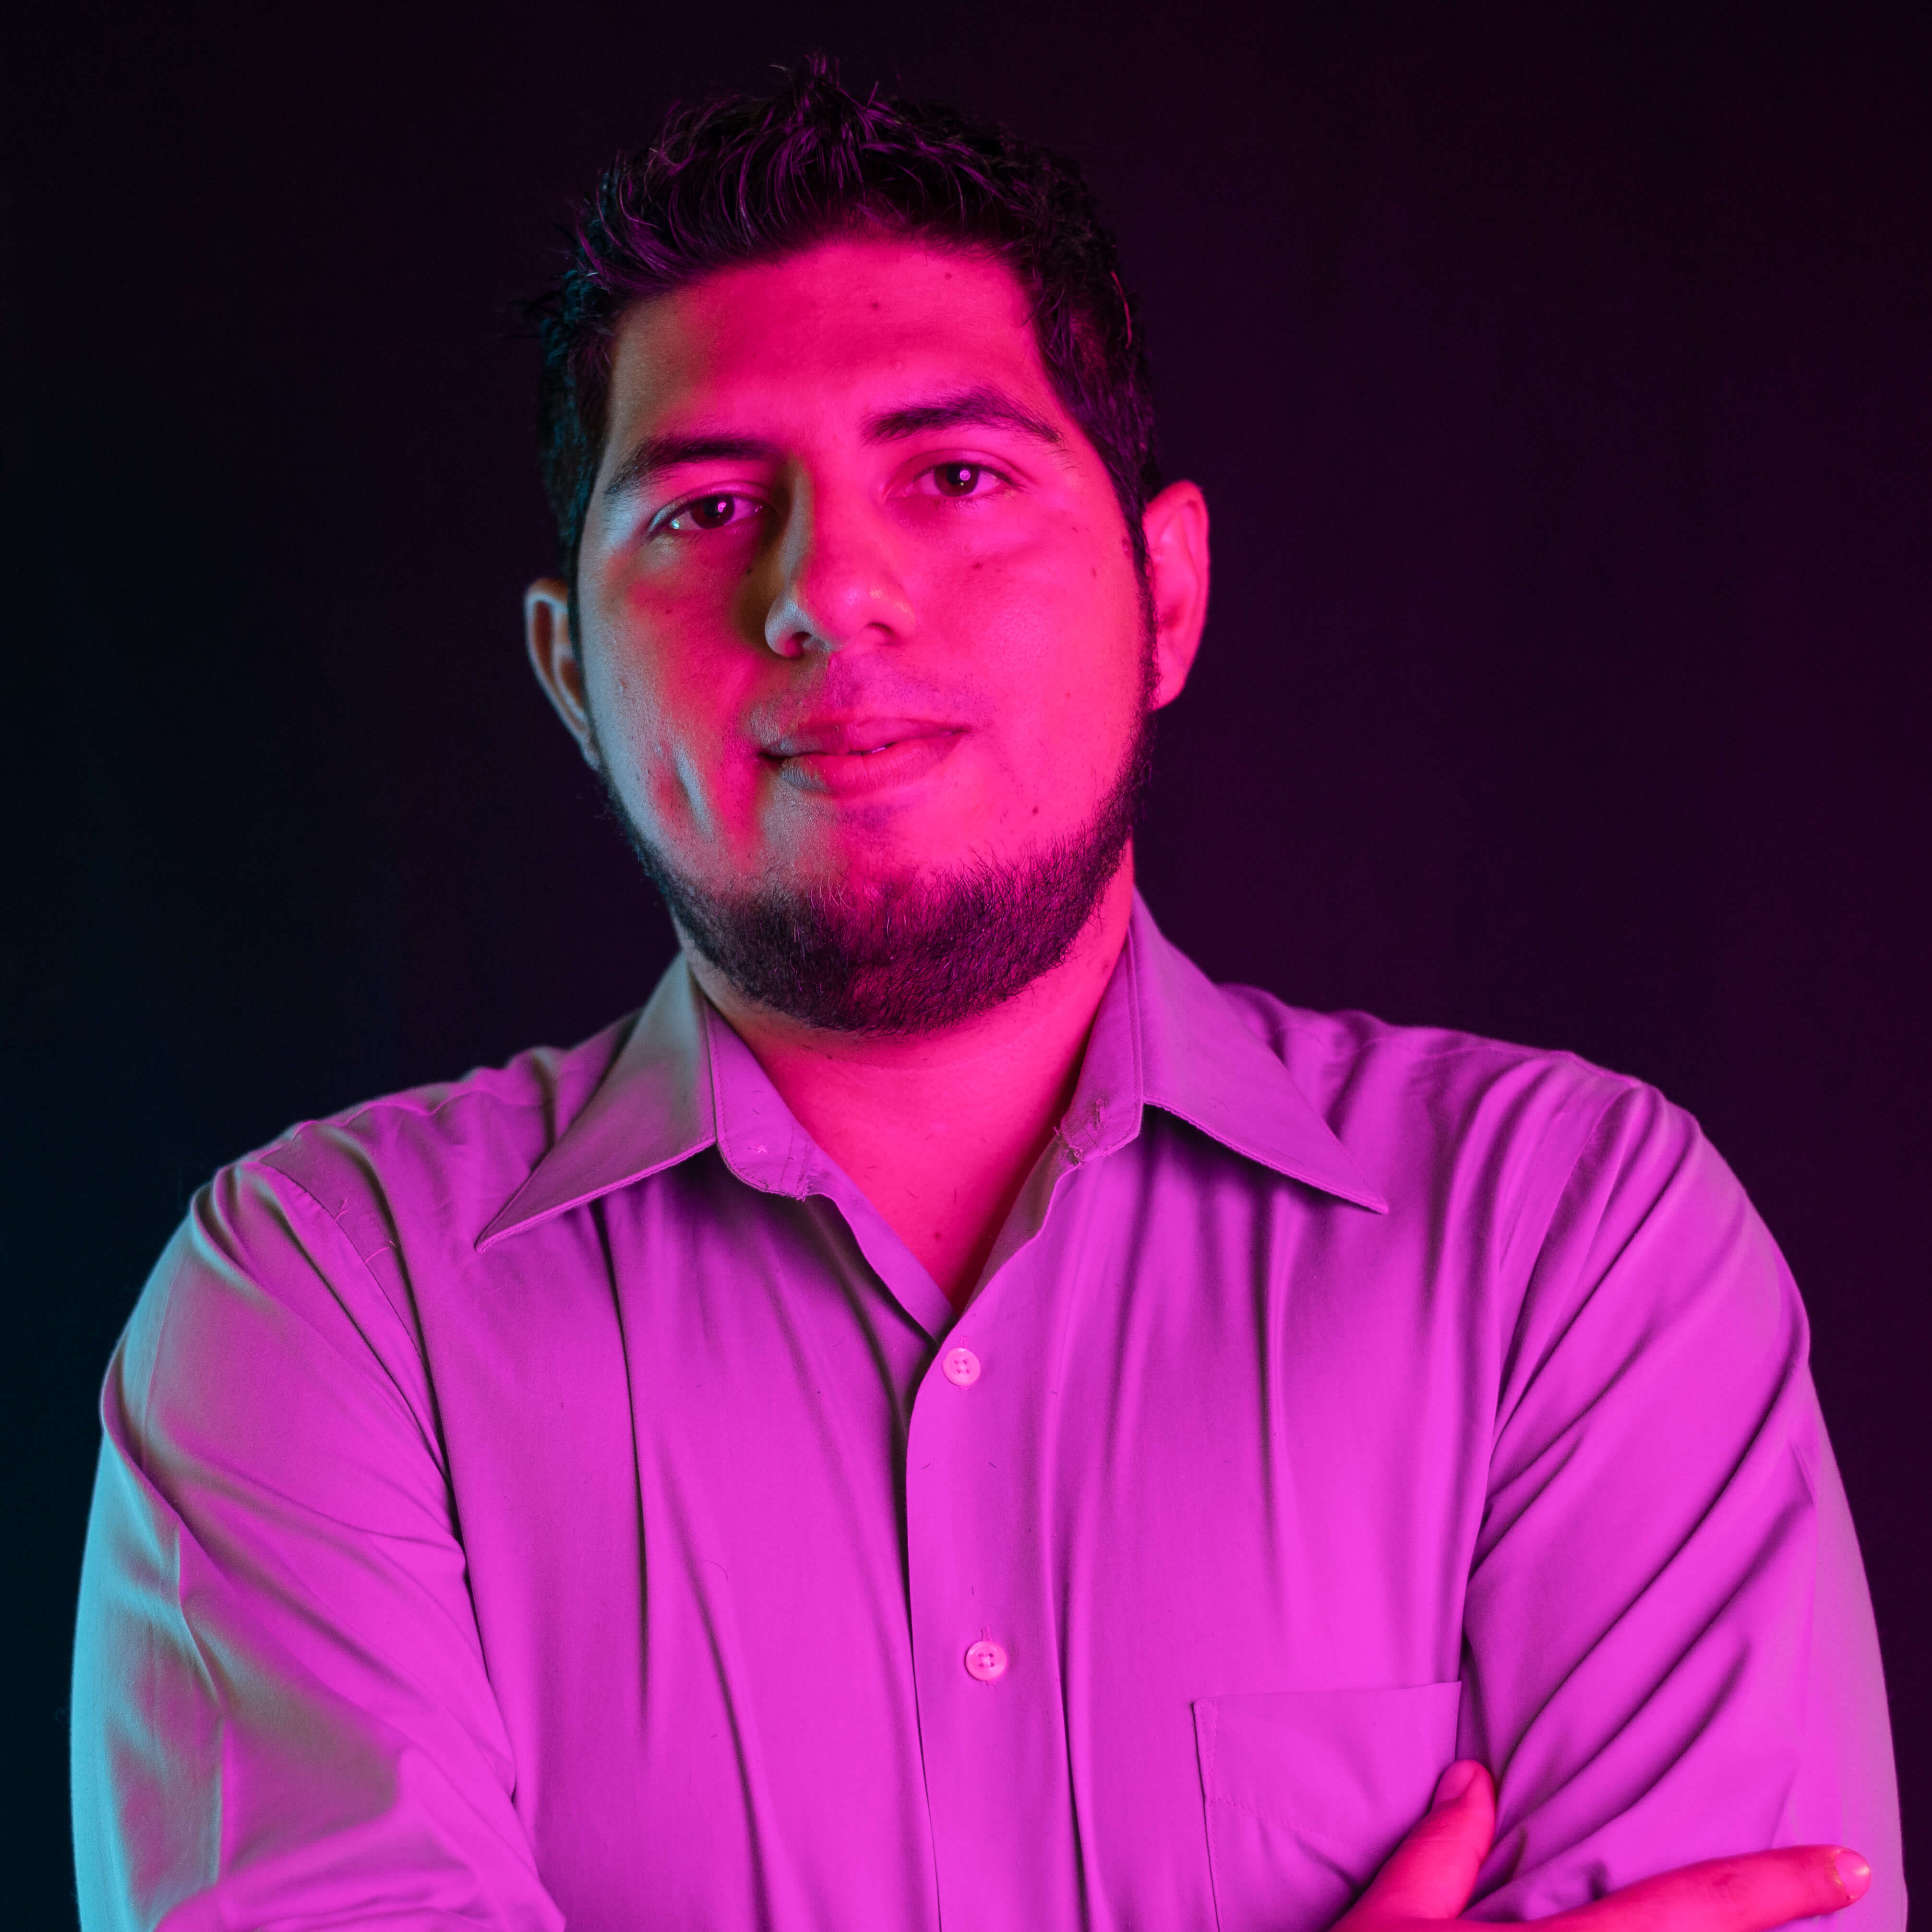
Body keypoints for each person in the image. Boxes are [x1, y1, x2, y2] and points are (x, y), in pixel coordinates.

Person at [71, 64, 1900, 1932]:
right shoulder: (320, 1305)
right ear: (568, 676)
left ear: (1164, 594)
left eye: (953, 475)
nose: (828, 592)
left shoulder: (1570, 1246)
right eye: (706, 508)